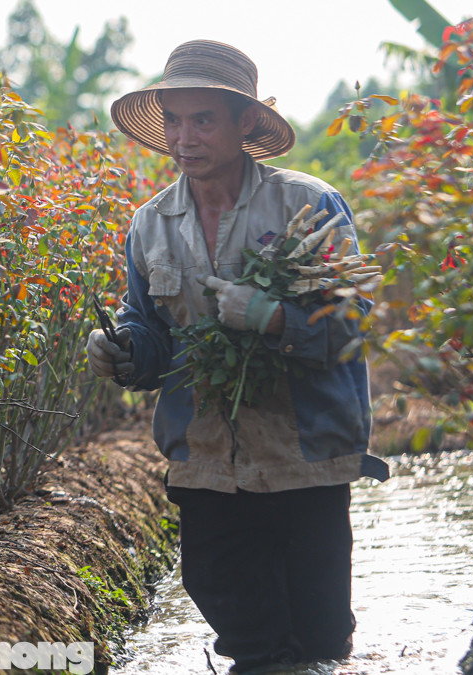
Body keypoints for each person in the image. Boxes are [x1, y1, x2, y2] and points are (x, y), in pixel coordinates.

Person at [86, 40, 390, 674]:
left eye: (203, 120)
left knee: (321, 640)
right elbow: (148, 332)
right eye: (174, 121)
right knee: (250, 642)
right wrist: (122, 350)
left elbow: (355, 322)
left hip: (304, 457)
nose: (184, 138)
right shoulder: (149, 224)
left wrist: (273, 318)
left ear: (246, 120)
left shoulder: (307, 206)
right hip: (206, 461)